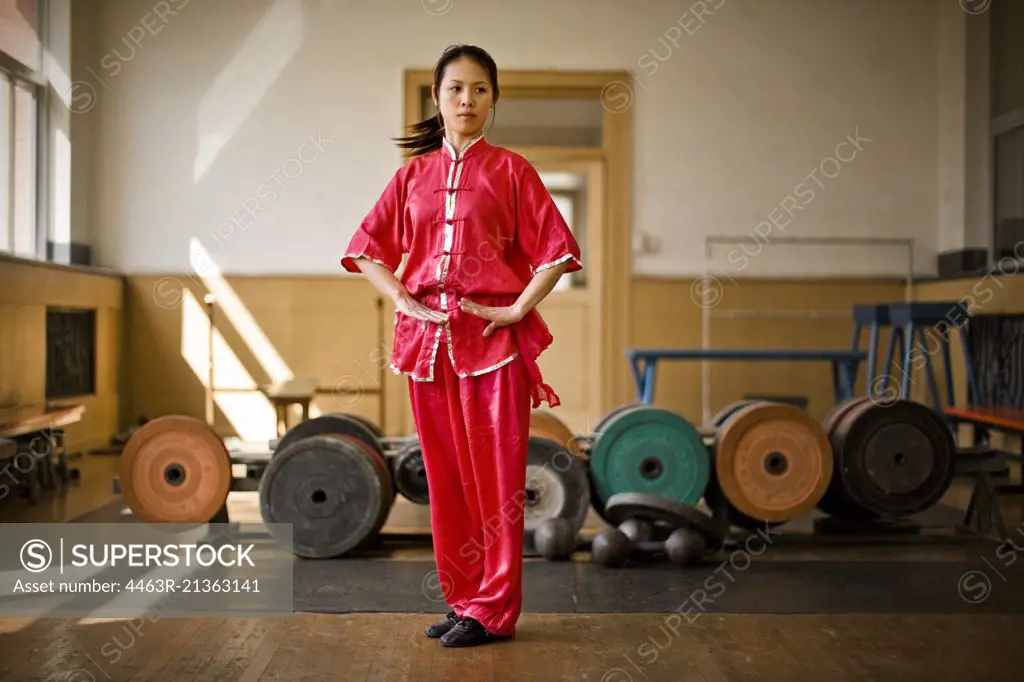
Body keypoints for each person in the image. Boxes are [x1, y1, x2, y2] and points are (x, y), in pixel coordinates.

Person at [341, 44, 582, 648]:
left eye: (479, 89)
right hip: (427, 349)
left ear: (493, 98)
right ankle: (465, 600)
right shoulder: (411, 177)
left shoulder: (512, 172)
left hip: (492, 346)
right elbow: (367, 249)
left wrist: (517, 308)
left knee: (495, 484)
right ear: (437, 98)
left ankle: (495, 610)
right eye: (455, 89)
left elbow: (557, 252)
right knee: (445, 480)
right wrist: (401, 298)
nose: (467, 100)